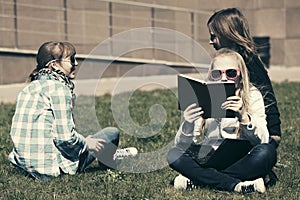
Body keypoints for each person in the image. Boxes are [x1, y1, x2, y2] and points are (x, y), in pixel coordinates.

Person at [8, 41, 137, 180]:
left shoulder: (28, 88)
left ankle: (108, 153)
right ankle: (110, 159)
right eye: (71, 59)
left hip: (24, 164)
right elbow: (65, 139)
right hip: (49, 168)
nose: (75, 63)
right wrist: (87, 143)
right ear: (53, 65)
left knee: (84, 135)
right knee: (111, 132)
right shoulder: (58, 89)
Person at [167, 48, 277, 193]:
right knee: (174, 155)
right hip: (210, 155)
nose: (224, 78)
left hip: (240, 158)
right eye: (217, 74)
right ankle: (237, 185)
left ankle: (200, 179)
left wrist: (244, 117)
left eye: (231, 73)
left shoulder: (252, 95)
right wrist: (187, 124)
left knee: (267, 152)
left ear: (240, 74)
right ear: (211, 76)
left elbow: (263, 139)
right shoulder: (204, 96)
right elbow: (183, 145)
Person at [207, 8, 281, 148]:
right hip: (227, 134)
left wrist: (274, 133)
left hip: (258, 132)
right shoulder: (223, 62)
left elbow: (268, 99)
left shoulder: (249, 62)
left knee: (262, 154)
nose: (211, 42)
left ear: (226, 34)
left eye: (213, 36)